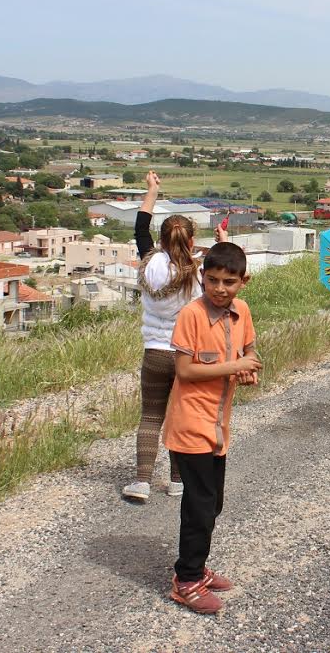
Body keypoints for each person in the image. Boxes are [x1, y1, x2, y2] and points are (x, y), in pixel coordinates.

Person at [166, 242, 261, 614]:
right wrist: (233, 368)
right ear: (202, 277)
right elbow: (186, 370)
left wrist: (247, 371)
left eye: (229, 282)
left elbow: (248, 355)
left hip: (219, 426)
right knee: (200, 506)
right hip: (190, 425)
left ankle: (197, 566)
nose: (220, 288)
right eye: (213, 280)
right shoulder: (190, 315)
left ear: (243, 281)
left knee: (212, 503)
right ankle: (186, 581)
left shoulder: (243, 312)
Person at [122, 170, 218, 502]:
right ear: (191, 242)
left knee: (151, 415)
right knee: (181, 417)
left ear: (161, 241)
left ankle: (142, 482)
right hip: (186, 356)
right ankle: (177, 482)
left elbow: (140, 227)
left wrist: (153, 190)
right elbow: (220, 276)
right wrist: (220, 241)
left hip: (154, 353)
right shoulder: (198, 272)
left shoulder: (149, 264)